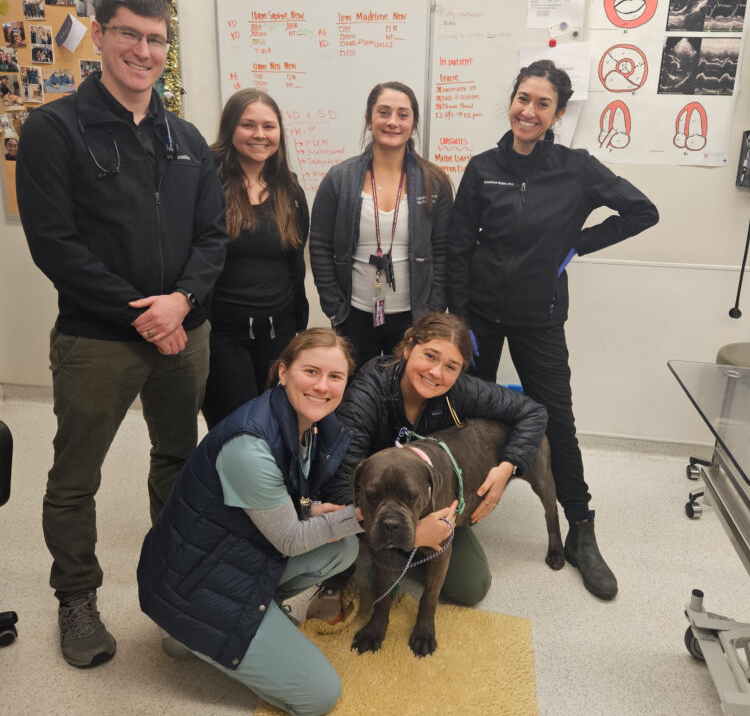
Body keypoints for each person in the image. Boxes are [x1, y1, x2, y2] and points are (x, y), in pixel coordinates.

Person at [16, 0, 228, 668]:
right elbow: (55, 245)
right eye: (130, 34)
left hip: (182, 334)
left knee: (178, 459)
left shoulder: (189, 139)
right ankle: (76, 598)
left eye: (156, 38)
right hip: (96, 339)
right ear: (101, 36)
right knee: (76, 477)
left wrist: (181, 305)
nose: (144, 49)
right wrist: (144, 315)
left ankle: (173, 590)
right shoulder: (54, 129)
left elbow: (212, 238)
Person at [137, 328, 453, 716]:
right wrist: (403, 530)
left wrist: (316, 509)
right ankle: (188, 631)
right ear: (283, 371)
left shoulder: (313, 424)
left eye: (335, 377)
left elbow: (291, 502)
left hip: (232, 555)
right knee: (319, 696)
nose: (323, 386)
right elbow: (288, 539)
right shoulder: (249, 446)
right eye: (311, 372)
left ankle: (251, 617)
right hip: (194, 582)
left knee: (341, 547)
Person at [446, 59, 659, 601]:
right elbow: (457, 248)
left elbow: (642, 211)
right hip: (479, 318)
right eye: (523, 99)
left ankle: (582, 528)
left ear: (558, 113)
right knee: (461, 411)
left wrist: (578, 246)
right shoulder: (482, 167)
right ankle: (454, 513)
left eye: (543, 103)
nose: (529, 111)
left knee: (556, 419)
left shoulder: (577, 168)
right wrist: (456, 321)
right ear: (511, 101)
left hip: (540, 315)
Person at [308, 311, 548, 621]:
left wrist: (508, 466)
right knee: (351, 540)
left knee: (472, 586)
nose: (436, 373)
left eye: (451, 367)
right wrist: (412, 534)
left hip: (428, 500)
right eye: (429, 356)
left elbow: (533, 412)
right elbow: (341, 486)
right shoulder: (370, 390)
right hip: (374, 500)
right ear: (408, 348)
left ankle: (402, 554)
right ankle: (340, 577)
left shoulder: (461, 391)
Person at [309, 81, 453, 367]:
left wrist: (431, 315)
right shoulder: (340, 178)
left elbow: (444, 252)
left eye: (403, 114)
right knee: (357, 396)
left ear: (413, 123)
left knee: (406, 396)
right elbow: (320, 246)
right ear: (368, 119)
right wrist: (335, 309)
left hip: (413, 318)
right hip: (355, 314)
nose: (392, 122)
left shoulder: (433, 182)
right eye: (383, 112)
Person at [201, 89, 309, 429]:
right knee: (235, 427)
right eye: (248, 125)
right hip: (222, 333)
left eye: (269, 126)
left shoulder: (288, 190)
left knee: (274, 423)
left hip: (278, 331)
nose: (260, 135)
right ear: (231, 128)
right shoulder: (206, 183)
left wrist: (297, 328)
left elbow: (295, 263)